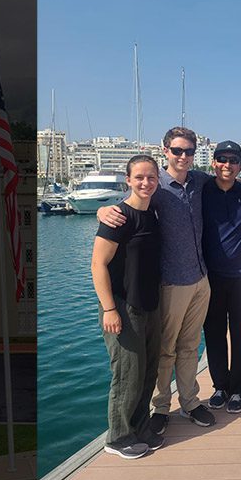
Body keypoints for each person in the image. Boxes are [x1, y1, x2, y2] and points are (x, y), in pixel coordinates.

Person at [97, 126, 216, 434]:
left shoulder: (198, 180)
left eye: (189, 151)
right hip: (171, 282)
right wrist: (102, 209)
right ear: (166, 151)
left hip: (201, 279)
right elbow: (125, 206)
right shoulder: (154, 183)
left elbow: (231, 181)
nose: (183, 156)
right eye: (177, 150)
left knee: (190, 346)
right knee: (166, 349)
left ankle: (189, 401)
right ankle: (161, 406)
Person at [91, 155, 164, 459]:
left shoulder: (153, 213)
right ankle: (118, 437)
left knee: (147, 371)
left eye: (151, 178)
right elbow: (98, 264)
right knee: (127, 374)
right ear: (128, 180)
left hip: (150, 304)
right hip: (124, 306)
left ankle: (140, 427)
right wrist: (109, 309)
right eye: (139, 178)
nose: (145, 183)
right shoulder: (119, 217)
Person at [201, 141, 241, 414]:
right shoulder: (202, 189)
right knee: (213, 333)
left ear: (240, 165)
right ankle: (220, 386)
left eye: (233, 160)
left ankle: (239, 389)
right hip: (210, 276)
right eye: (222, 158)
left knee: (240, 333)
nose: (227, 164)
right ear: (214, 162)